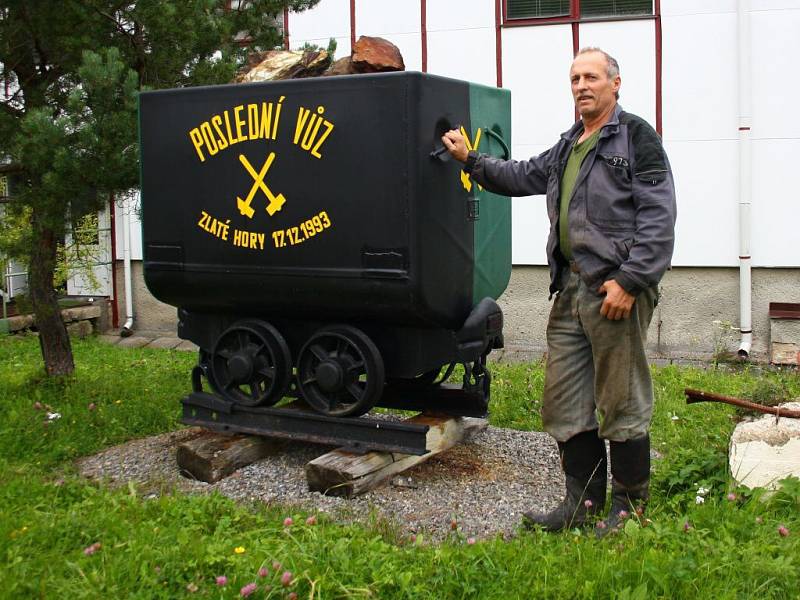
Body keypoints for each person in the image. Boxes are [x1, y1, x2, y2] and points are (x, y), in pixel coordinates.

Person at [442, 47, 676, 535]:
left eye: (591, 77)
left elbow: (659, 217)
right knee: (564, 400)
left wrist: (631, 282)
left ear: (616, 83)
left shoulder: (636, 137)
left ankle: (629, 510)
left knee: (622, 400)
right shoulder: (569, 144)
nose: (581, 86)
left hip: (614, 290)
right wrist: (471, 160)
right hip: (568, 288)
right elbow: (520, 173)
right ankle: (581, 504)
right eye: (574, 79)